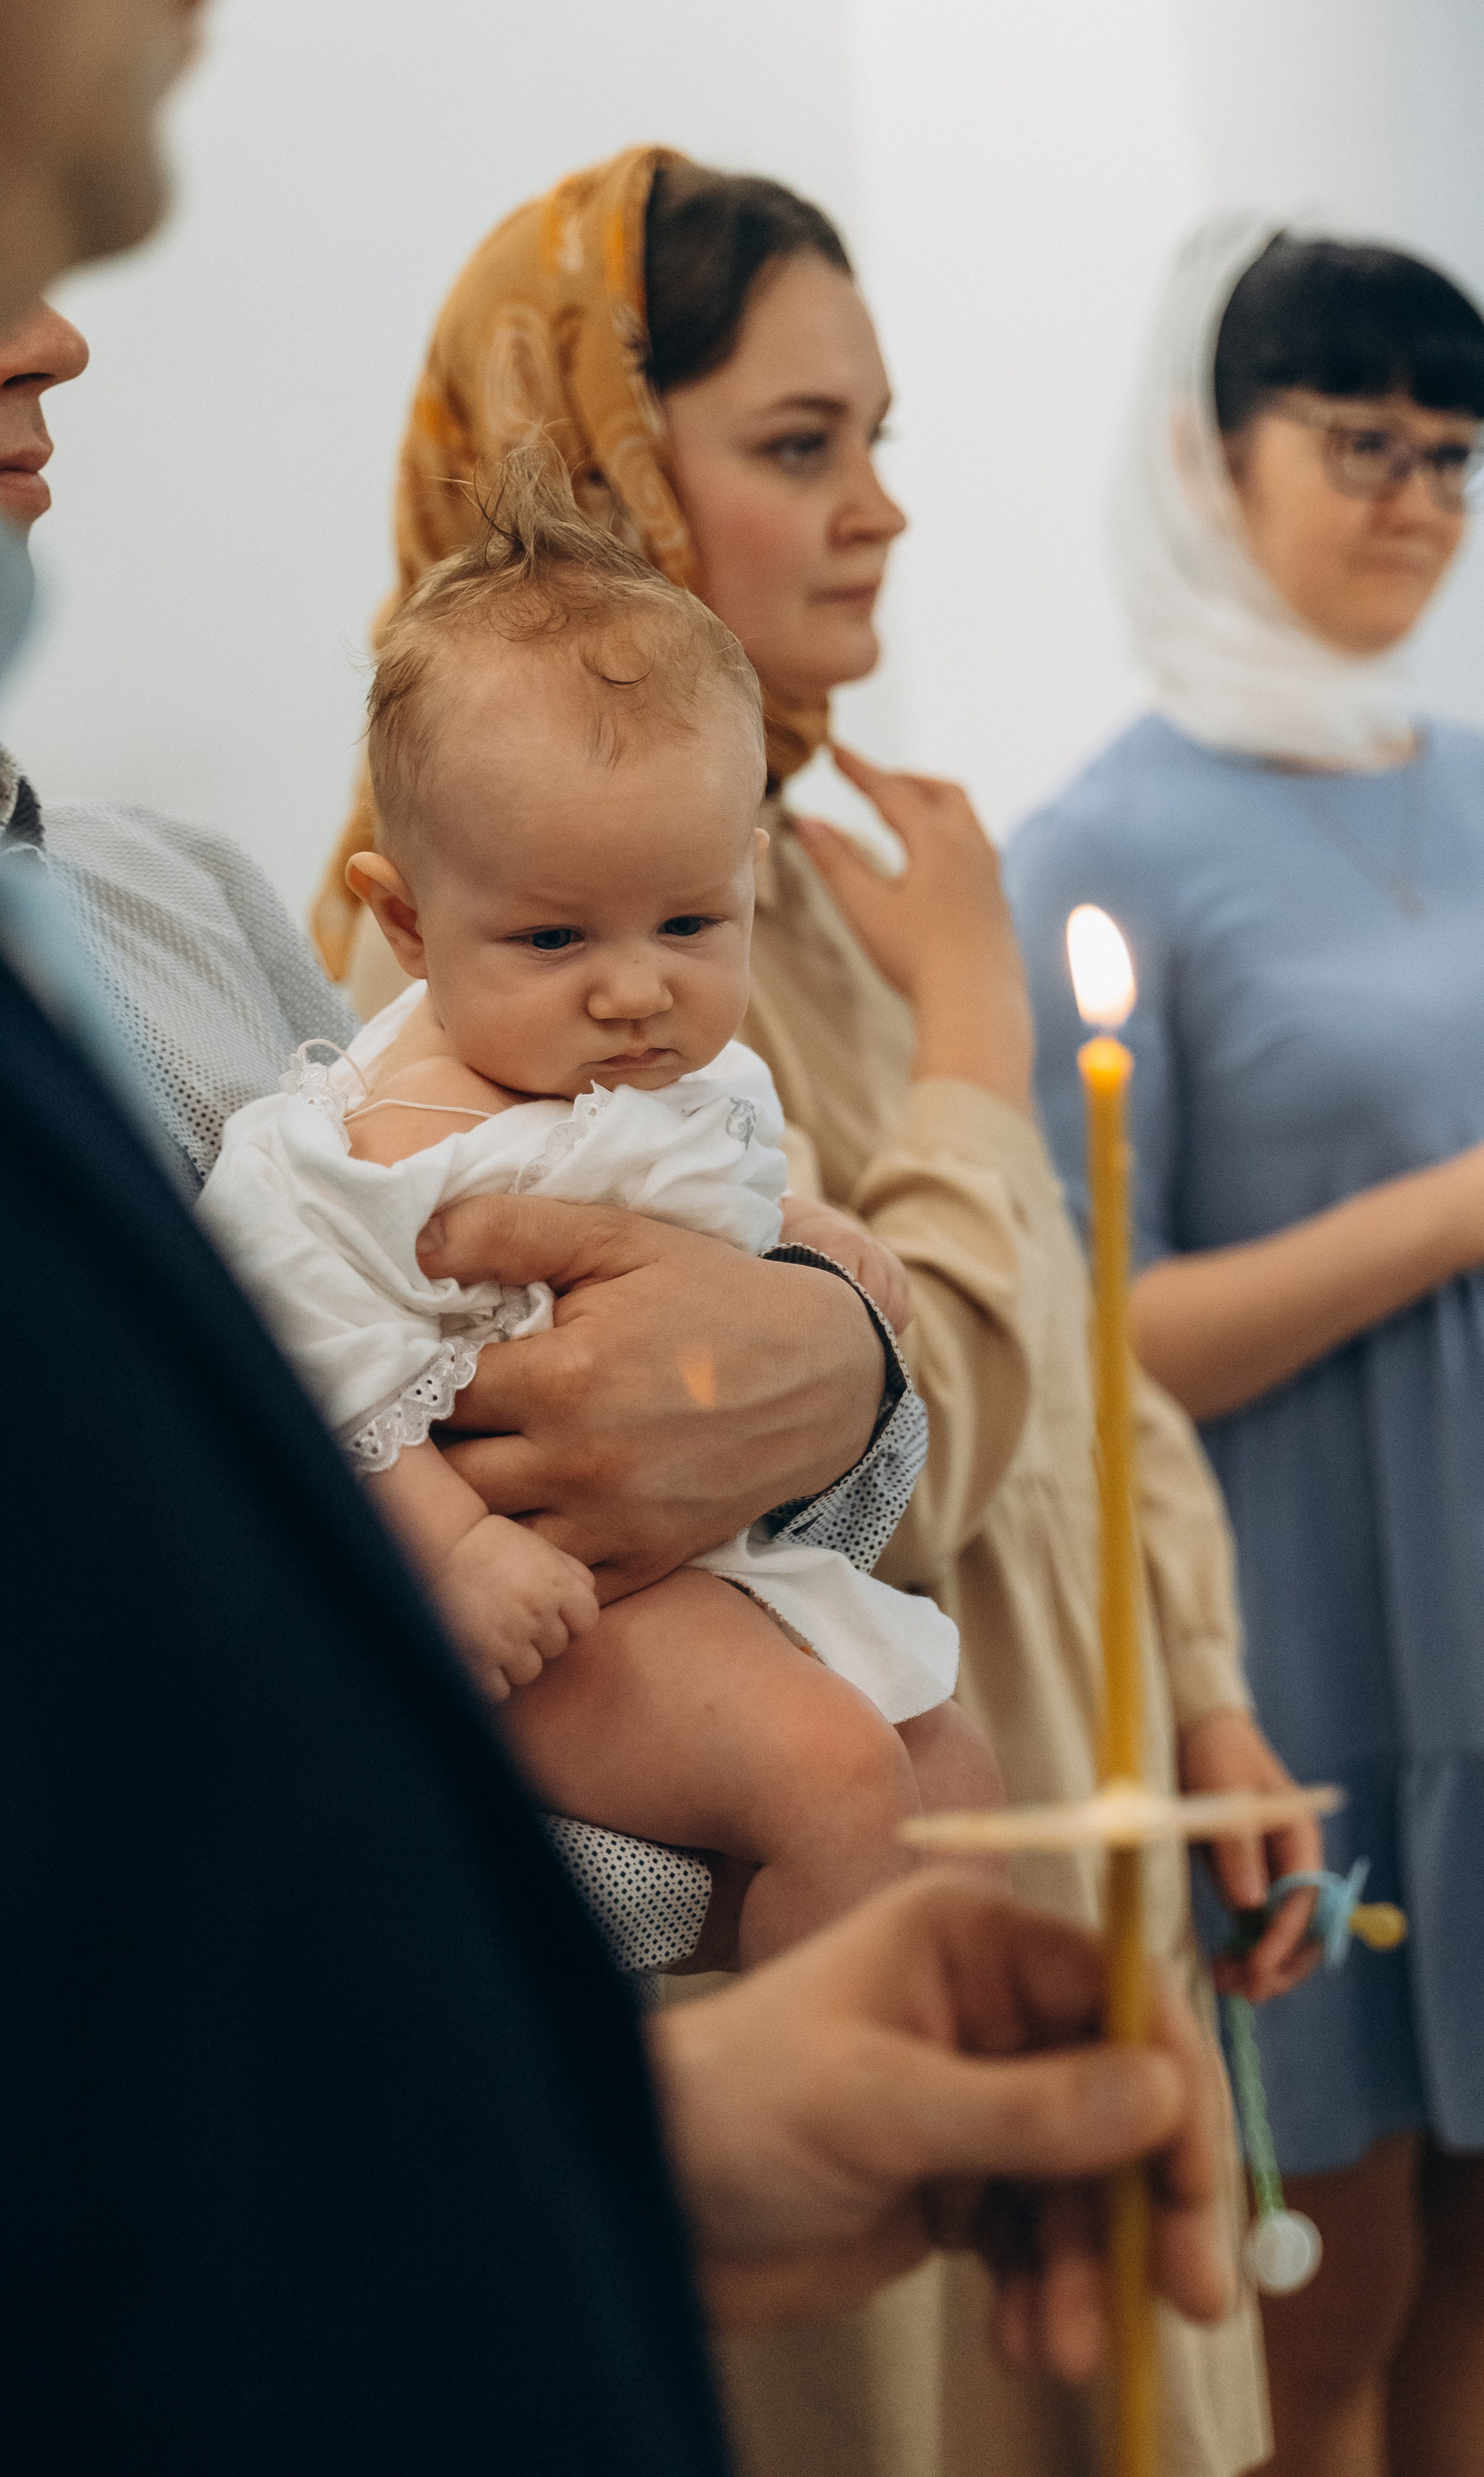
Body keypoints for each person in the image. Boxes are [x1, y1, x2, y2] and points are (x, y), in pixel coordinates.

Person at [0, 0, 1243, 2463]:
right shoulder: (476, 936)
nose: (63, 353)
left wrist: (851, 1352)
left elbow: (847, 1428)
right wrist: (964, 1124)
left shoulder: (191, 908)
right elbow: (388, 1571)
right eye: (802, 438)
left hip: (564, 2117)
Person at [313, 145, 1323, 2477]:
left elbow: (1065, 1347)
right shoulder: (477, 967)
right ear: (586, 462)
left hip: (1024, 1763)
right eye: (800, 445)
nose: (879, 509)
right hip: (792, 1899)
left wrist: (1209, 1681)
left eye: (880, 438)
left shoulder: (810, 870)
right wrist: (977, 1043)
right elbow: (769, 1431)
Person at [1006, 218, 1484, 2477]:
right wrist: (1466, 1210)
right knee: (1342, 2285)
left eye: (1458, 454)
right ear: (1217, 451)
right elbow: (1087, 1351)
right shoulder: (1105, 842)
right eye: (1363, 439)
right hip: (1313, 1643)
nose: (1416, 496)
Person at [204, 468, 998, 1961]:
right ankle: (833, 2173)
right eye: (556, 936)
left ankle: (933, 2146)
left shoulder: (688, 1071)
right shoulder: (364, 1150)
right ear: (404, 922)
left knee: (953, 1771)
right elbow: (302, 1380)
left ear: (744, 881)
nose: (634, 988)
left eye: (688, 924)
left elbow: (712, 1199)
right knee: (833, 1778)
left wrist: (810, 1244)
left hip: (702, 1563)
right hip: (524, 1609)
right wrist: (450, 1551)